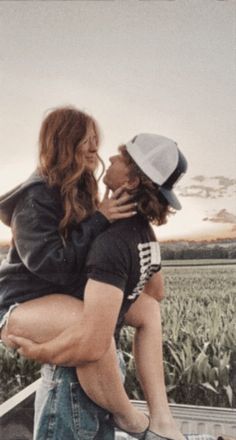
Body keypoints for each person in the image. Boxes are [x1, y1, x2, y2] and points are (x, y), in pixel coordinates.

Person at [3, 131, 215, 440]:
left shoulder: (110, 241)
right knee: (147, 312)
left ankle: (139, 424)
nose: (111, 157)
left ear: (130, 182)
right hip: (100, 375)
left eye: (122, 156)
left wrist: (38, 350)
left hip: (74, 383)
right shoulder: (141, 232)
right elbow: (155, 294)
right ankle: (163, 419)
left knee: (87, 323)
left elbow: (91, 343)